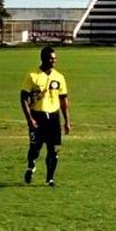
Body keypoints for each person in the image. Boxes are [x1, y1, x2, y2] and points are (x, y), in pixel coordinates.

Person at [20, 46, 71, 187]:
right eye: (51, 59)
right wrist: (29, 119)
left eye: (55, 59)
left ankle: (50, 179)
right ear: (43, 59)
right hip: (37, 117)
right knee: (35, 149)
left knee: (54, 150)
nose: (53, 61)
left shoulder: (59, 77)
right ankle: (31, 165)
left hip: (54, 118)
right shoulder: (32, 76)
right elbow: (23, 98)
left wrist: (67, 121)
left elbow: (63, 101)